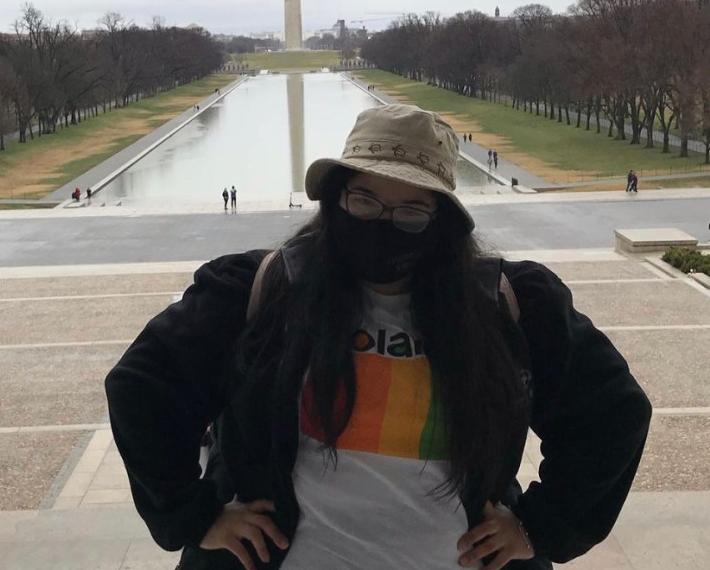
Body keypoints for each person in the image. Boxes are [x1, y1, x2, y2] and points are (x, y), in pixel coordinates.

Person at [106, 104, 650, 570]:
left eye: (410, 211)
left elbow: (613, 412)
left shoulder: (509, 305)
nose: (382, 223)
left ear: (441, 222)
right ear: (336, 198)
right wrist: (193, 515)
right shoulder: (261, 292)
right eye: (365, 201)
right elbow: (143, 386)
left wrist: (541, 525)